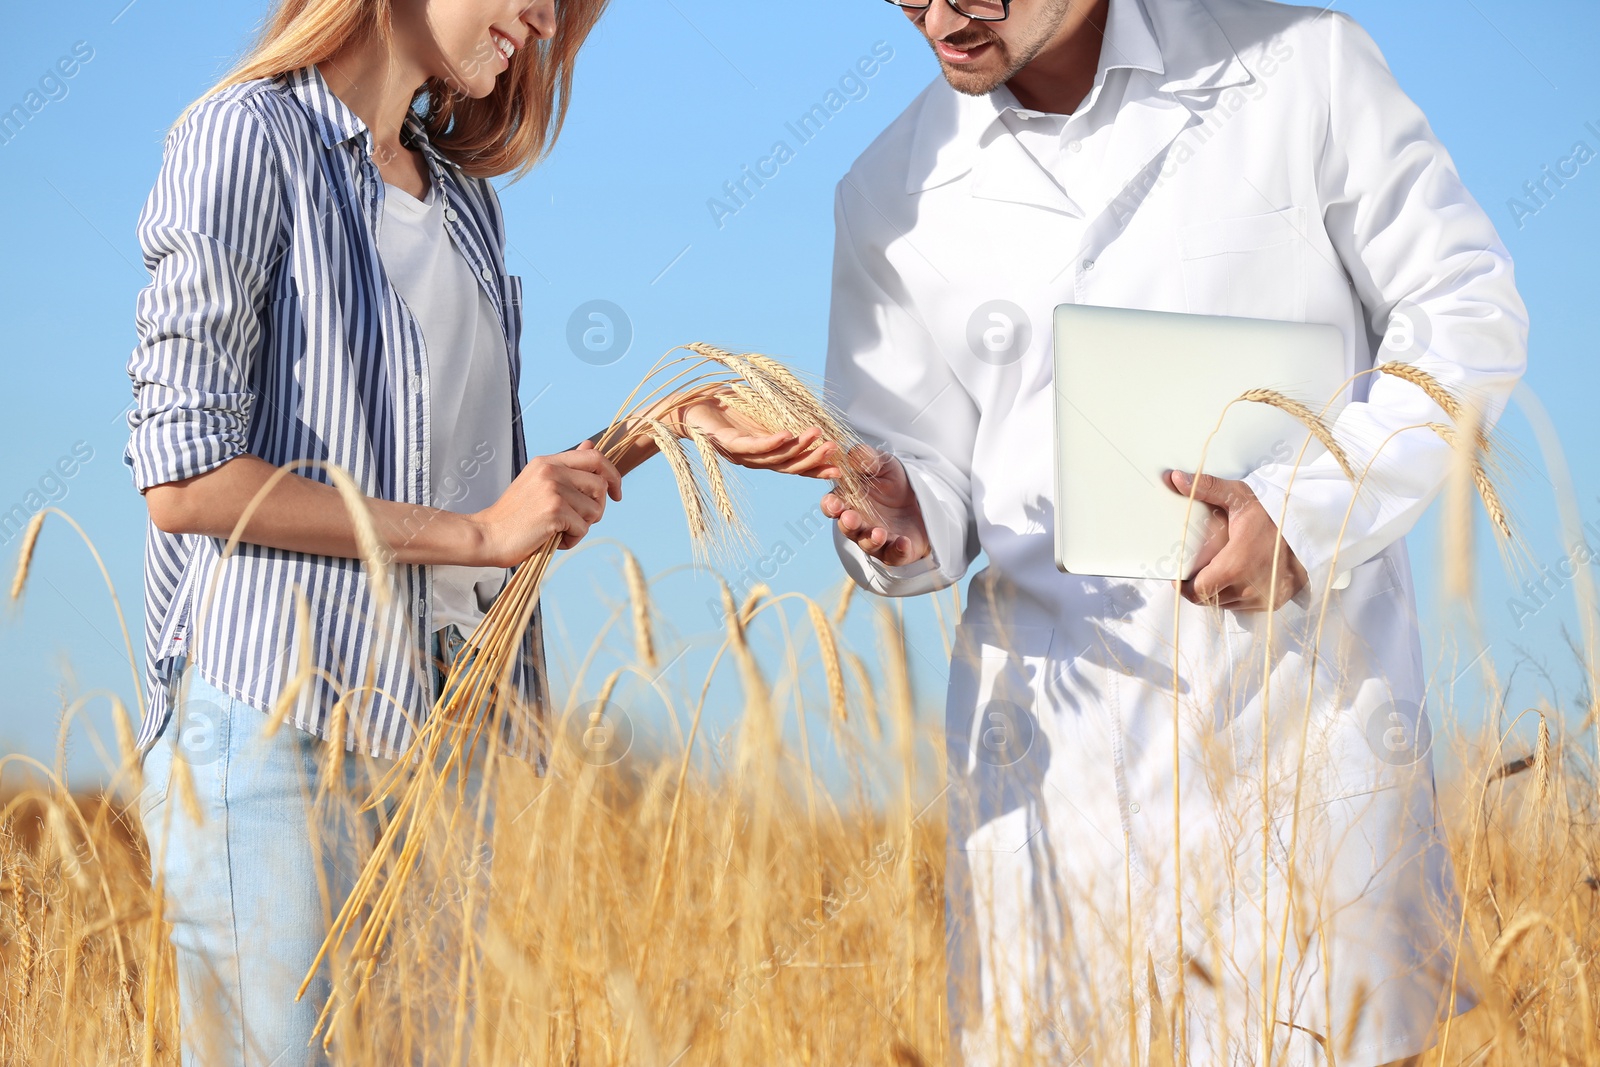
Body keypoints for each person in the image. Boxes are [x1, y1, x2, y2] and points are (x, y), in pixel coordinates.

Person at [690, 0, 1528, 1062]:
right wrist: (904, 512)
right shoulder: (885, 192)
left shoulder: (1305, 66)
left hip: (1299, 751)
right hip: (1054, 790)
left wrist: (1309, 505)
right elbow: (926, 476)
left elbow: (1465, 313)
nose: (941, 10)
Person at [125, 1, 622, 1062]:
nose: (542, 22)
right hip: (278, 730)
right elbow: (185, 474)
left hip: (450, 737)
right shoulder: (246, 137)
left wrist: (659, 429)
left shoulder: (463, 202)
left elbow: (483, 491)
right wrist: (479, 534)